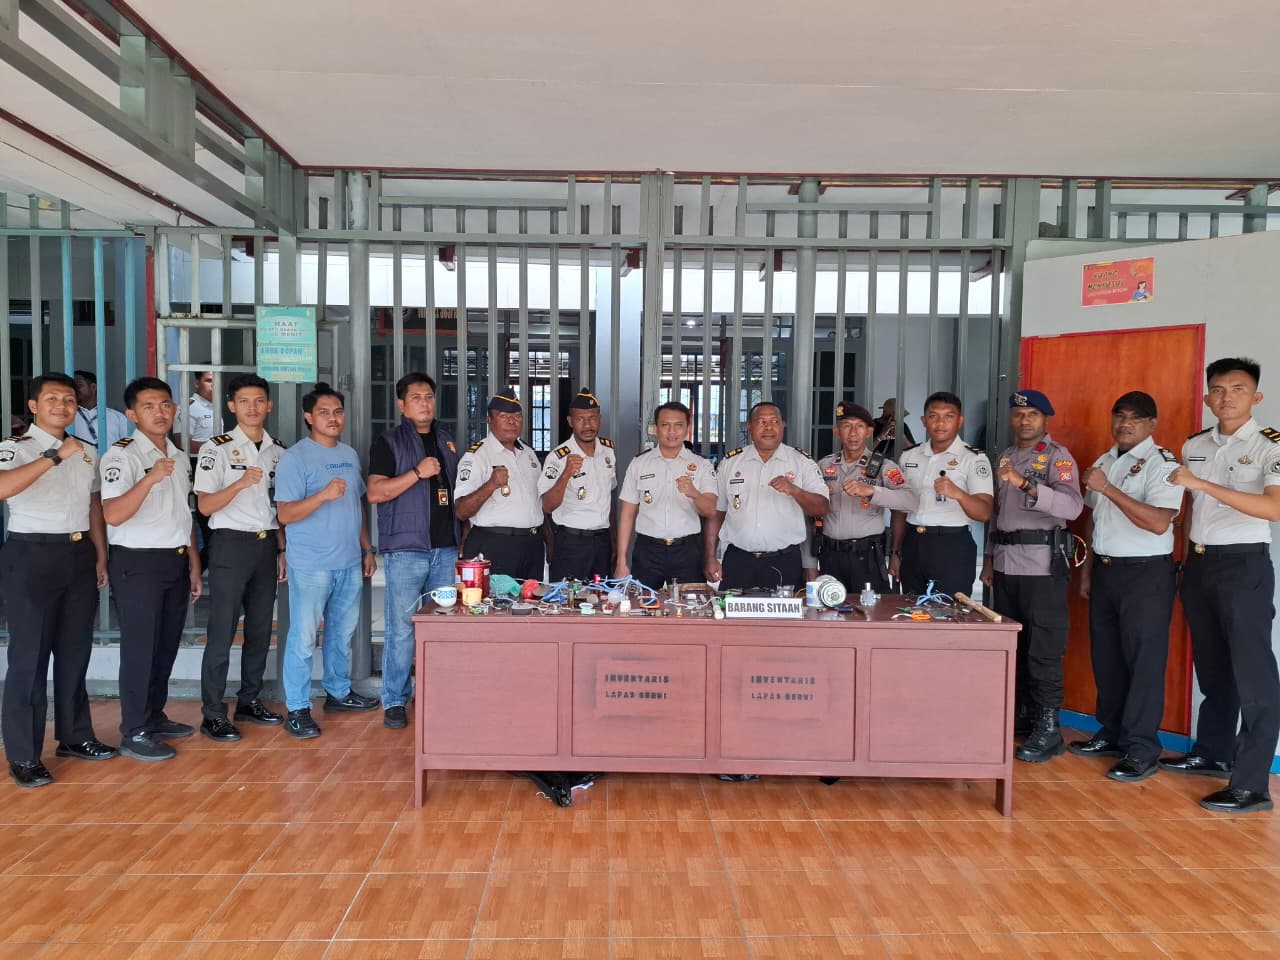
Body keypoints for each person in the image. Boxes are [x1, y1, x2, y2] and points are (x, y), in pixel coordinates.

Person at [1163, 358, 1280, 814]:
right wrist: (1182, 560)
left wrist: (1202, 484)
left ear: (1256, 397)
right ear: (1208, 397)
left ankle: (1252, 785)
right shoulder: (1195, 444)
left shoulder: (1270, 446)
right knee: (1212, 668)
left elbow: (1273, 509)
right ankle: (1213, 751)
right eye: (1218, 389)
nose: (1226, 397)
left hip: (1244, 566)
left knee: (1253, 675)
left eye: (1238, 388)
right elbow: (1191, 509)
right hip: (1200, 564)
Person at [0, 373, 114, 787]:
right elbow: (3, 488)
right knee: (29, 658)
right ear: (34, 406)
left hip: (77, 552)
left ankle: (75, 736)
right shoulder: (15, 447)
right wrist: (53, 457)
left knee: (74, 652)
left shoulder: (86, 451)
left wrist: (100, 554)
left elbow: (93, 504)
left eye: (68, 399)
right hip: (31, 554)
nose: (62, 406)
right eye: (52, 399)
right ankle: (24, 755)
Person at [1072, 391, 1181, 780]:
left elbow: (1158, 522)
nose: (1125, 424)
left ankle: (1142, 749)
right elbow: (1094, 517)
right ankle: (1113, 732)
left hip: (1145, 574)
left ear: (1152, 424)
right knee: (1108, 658)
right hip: (1106, 569)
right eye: (1119, 416)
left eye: (1135, 418)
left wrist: (1108, 489)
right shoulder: (1105, 460)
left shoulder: (1162, 463)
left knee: (1143, 662)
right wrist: (1087, 571)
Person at [979, 390, 1084, 763]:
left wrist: (1026, 484)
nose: (1025, 420)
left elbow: (1072, 506)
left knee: (1043, 649)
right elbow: (997, 515)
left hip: (1041, 567)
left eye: (1033, 414)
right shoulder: (1006, 456)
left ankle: (1049, 728)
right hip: (1006, 564)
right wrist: (989, 559)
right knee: (1015, 646)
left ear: (1045, 419)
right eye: (1019, 414)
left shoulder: (1058, 458)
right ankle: (1022, 715)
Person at [101, 377, 203, 762]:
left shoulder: (177, 454)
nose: (159, 412)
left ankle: (154, 715)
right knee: (140, 648)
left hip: (174, 558)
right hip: (138, 562)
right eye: (148, 406)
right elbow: (113, 513)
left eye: (164, 404)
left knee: (165, 644)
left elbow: (183, 514)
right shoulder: (122, 456)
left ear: (174, 409)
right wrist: (150, 478)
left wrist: (193, 563)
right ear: (131, 414)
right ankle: (135, 730)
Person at [275, 383, 379, 739]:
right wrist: (322, 495)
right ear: (308, 417)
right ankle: (297, 708)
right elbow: (285, 514)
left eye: (337, 411)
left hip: (348, 562)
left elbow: (356, 506)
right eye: (324, 412)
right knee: (304, 638)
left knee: (341, 634)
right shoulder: (295, 458)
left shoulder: (349, 454)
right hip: (311, 565)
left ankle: (338, 692)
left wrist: (366, 548)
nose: (333, 418)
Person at [192, 373, 287, 742]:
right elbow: (205, 505)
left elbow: (278, 506)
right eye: (244, 401)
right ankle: (213, 713)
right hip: (230, 544)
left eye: (259, 400)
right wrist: (240, 483)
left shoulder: (278, 450)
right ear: (231, 406)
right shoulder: (216, 449)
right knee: (222, 632)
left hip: (265, 545)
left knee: (260, 630)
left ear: (269, 405)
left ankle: (249, 700)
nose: (252, 407)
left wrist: (281, 548)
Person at [368, 372, 460, 730]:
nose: (425, 403)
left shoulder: (447, 441)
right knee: (402, 628)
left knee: (440, 626)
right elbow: (376, 492)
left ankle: (434, 693)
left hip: (444, 550)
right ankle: (394, 699)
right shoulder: (388, 442)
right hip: (406, 551)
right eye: (417, 397)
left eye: (429, 396)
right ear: (402, 405)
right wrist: (417, 473)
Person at [705, 401, 828, 591]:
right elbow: (717, 514)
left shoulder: (801, 462)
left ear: (783, 425)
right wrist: (710, 557)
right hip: (738, 560)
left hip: (785, 561)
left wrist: (795, 491)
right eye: (762, 421)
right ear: (749, 427)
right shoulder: (730, 463)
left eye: (775, 421)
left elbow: (821, 508)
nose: (769, 427)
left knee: (786, 611)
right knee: (731, 610)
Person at [890, 391, 993, 598]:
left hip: (951, 545)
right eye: (933, 416)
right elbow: (900, 509)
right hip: (913, 542)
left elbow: (984, 512)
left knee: (950, 610)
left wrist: (958, 494)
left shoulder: (973, 459)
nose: (940, 423)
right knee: (911, 608)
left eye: (949, 416)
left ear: (960, 421)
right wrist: (895, 552)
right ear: (923, 421)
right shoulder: (909, 456)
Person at [816, 400, 916, 593]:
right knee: (830, 608)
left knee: (870, 609)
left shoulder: (883, 466)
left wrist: (872, 491)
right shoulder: (824, 465)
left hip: (866, 557)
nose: (853, 433)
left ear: (869, 431)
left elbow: (910, 500)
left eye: (859, 426)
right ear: (837, 432)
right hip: (830, 555)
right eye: (846, 426)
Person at [615, 401, 717, 587]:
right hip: (647, 551)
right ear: (655, 429)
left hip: (687, 551)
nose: (672, 432)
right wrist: (621, 561)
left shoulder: (702, 465)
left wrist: (694, 493)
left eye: (678, 425)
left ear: (687, 428)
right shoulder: (639, 463)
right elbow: (627, 514)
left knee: (689, 603)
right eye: (665, 425)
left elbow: (710, 510)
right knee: (643, 602)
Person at [453, 391, 546, 581]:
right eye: (504, 416)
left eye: (517, 416)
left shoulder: (528, 453)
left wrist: (548, 542)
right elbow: (461, 511)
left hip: (532, 545)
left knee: (531, 599)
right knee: (496, 600)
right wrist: (491, 485)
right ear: (490, 420)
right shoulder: (477, 456)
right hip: (495, 544)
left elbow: (538, 503)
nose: (512, 422)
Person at [538, 389, 617, 581]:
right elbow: (546, 506)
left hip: (602, 542)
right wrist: (565, 474)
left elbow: (609, 498)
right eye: (580, 419)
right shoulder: (558, 457)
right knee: (567, 597)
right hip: (571, 542)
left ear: (600, 419)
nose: (587, 425)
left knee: (600, 595)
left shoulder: (607, 451)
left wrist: (613, 540)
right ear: (570, 421)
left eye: (592, 418)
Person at [72, 370, 131, 449]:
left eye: (79, 385)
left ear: (93, 387)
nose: (74, 390)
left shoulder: (117, 416)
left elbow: (128, 439)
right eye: (72, 387)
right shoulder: (68, 416)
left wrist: (113, 453)